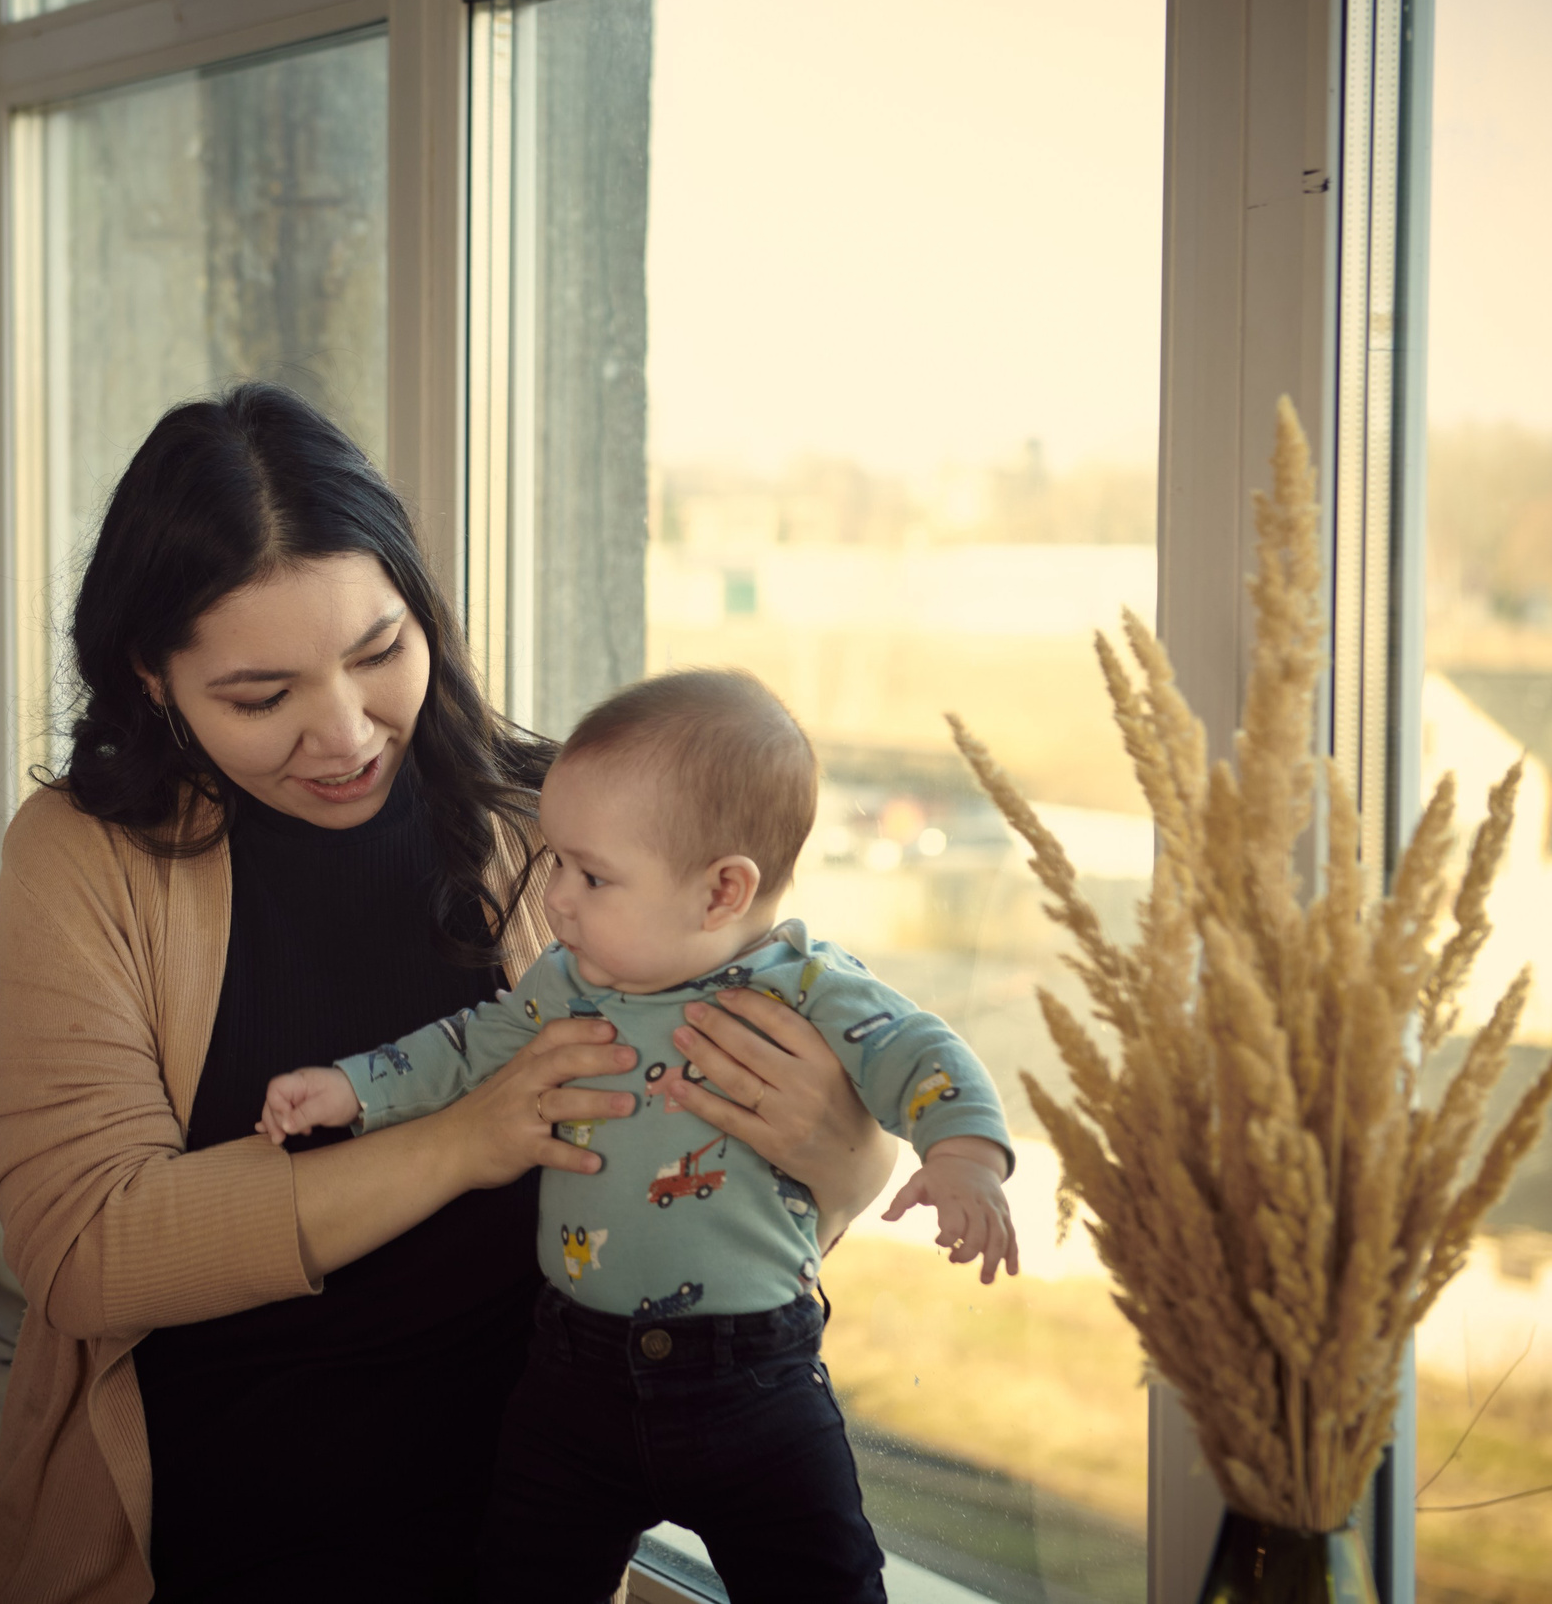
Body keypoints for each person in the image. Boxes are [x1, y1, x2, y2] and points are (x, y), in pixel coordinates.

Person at [0, 384, 902, 1604]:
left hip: (522, 1542)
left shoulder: (560, 835)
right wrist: (461, 1141)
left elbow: (720, 1214)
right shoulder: (85, 853)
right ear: (151, 677)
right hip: (207, 1545)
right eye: (261, 698)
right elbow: (87, 1253)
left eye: (378, 653)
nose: (346, 734)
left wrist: (849, 1161)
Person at [259, 668, 1020, 1602]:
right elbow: (466, 1047)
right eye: (557, 865)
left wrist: (965, 1154)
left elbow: (924, 1053)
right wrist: (350, 1087)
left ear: (721, 891)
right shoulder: (568, 980)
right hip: (571, 1377)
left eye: (592, 875)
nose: (558, 899)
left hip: (755, 1383)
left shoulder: (810, 989)